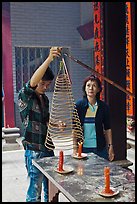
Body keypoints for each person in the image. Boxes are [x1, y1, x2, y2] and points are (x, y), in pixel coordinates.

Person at [18, 47, 62, 202]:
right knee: (34, 192)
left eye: (48, 85)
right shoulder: (25, 96)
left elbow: (46, 120)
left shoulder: (45, 99)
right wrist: (49, 58)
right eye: (43, 84)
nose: (45, 87)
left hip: (48, 149)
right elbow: (32, 83)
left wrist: (57, 124)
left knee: (50, 191)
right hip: (34, 150)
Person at [75, 75, 115, 161]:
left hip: (100, 148)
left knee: (101, 173)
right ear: (85, 88)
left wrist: (110, 146)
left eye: (94, 86)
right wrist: (75, 148)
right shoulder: (79, 106)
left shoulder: (103, 107)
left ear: (98, 89)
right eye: (88, 85)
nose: (91, 88)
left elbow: (107, 129)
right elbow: (74, 129)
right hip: (83, 148)